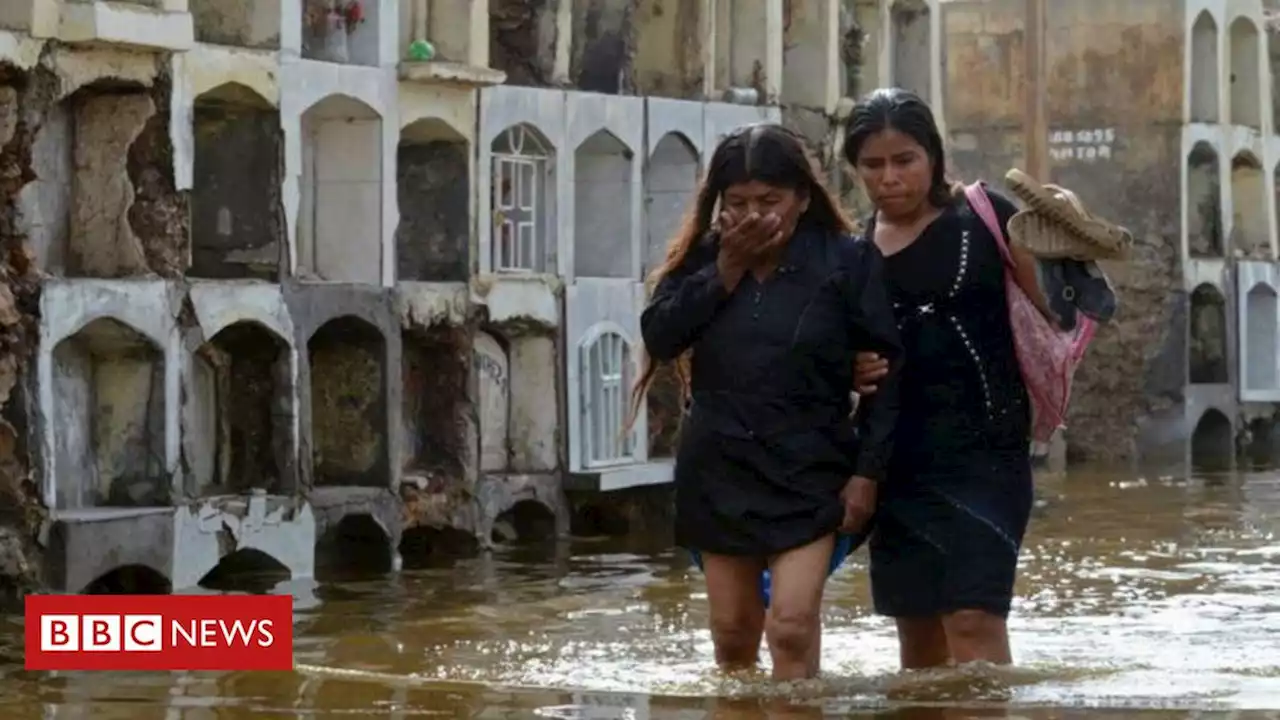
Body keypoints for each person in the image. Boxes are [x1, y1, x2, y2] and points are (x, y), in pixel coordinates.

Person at [629, 123, 902, 681]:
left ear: (802, 198)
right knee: (732, 637)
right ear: (719, 205)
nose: (755, 216)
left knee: (792, 627)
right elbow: (659, 336)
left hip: (810, 467)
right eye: (739, 203)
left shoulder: (847, 262)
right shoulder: (705, 260)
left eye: (770, 201)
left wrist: (867, 475)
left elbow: (887, 375)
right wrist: (725, 270)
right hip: (720, 467)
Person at [843, 88, 1038, 669]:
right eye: (872, 165)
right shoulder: (849, 253)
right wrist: (844, 365)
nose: (889, 177)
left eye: (904, 160)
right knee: (920, 643)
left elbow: (1061, 312)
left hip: (988, 453)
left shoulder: (987, 217)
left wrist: (1063, 240)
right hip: (896, 460)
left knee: (975, 620)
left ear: (932, 156)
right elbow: (818, 346)